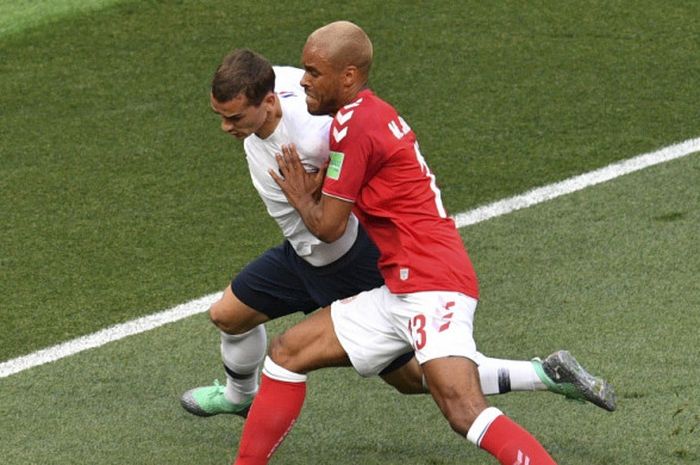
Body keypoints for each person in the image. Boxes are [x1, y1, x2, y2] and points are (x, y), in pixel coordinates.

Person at [227, 22, 604, 465]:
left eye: (313, 72)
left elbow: (328, 227)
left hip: (433, 282)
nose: (304, 80)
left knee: (462, 408)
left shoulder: (356, 127)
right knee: (288, 352)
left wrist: (299, 196)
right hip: (401, 288)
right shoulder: (358, 118)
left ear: (347, 77)